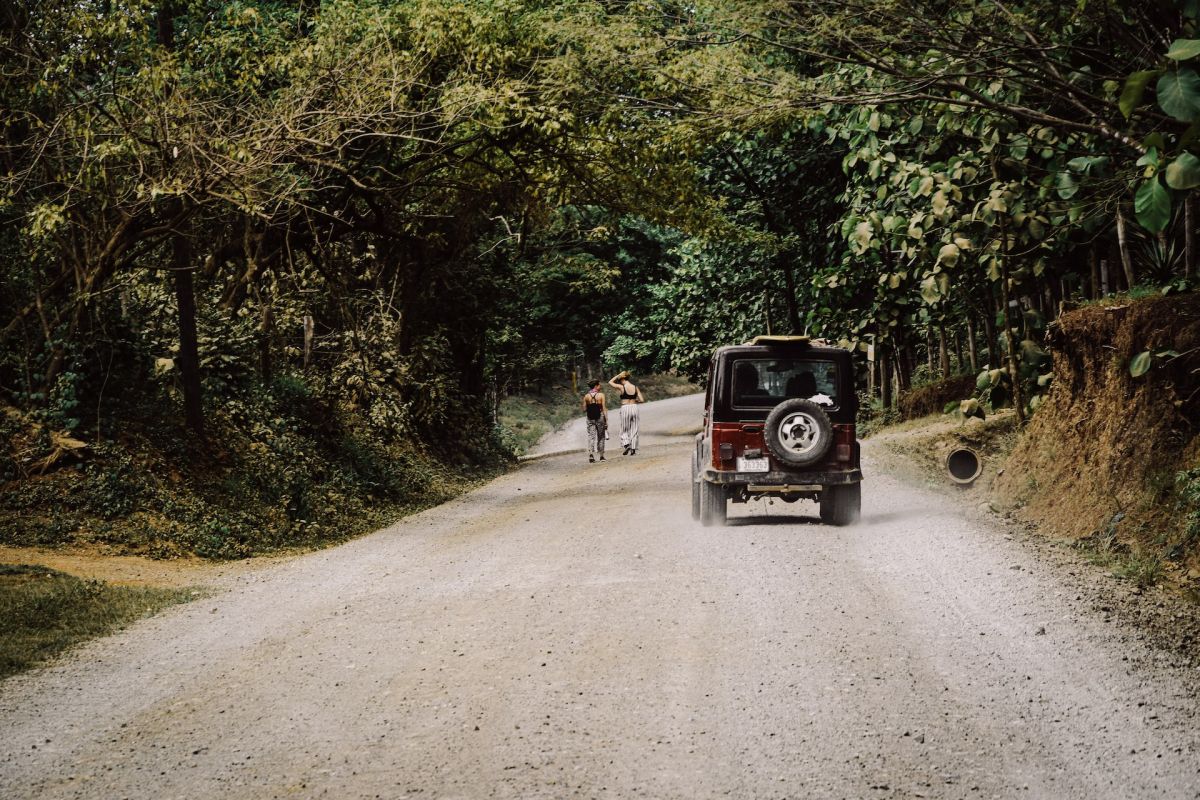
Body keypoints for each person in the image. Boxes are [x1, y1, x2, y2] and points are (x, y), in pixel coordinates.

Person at [608, 371, 644, 455]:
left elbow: (610, 382)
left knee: (624, 429)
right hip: (634, 407)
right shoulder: (635, 387)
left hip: (625, 408)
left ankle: (626, 444)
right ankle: (633, 449)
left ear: (622, 378)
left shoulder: (621, 387)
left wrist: (618, 375)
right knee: (634, 429)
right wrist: (635, 401)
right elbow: (642, 400)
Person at [581, 379, 608, 463]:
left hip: (590, 418)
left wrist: (590, 405)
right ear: (596, 386)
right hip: (599, 417)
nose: (600, 386)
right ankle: (601, 456)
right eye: (599, 385)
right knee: (601, 436)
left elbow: (584, 409)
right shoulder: (601, 395)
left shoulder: (586, 396)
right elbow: (603, 408)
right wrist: (606, 420)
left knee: (591, 436)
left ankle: (591, 455)